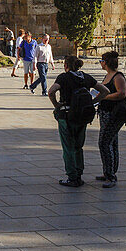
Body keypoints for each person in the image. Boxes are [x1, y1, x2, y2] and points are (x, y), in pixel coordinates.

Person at [48, 54, 104, 188]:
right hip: (82, 116)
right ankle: (79, 173)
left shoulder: (63, 77)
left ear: (66, 65)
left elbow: (51, 91)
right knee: (78, 146)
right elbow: (104, 91)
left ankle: (72, 176)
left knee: (68, 147)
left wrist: (56, 104)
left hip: (66, 116)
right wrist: (92, 102)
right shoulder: (86, 77)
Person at [96, 50, 126, 188]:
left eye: (102, 61)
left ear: (106, 62)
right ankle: (109, 171)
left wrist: (105, 97)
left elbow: (122, 93)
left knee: (104, 143)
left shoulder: (117, 77)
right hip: (105, 113)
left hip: (113, 115)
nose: (101, 63)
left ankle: (111, 176)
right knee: (111, 143)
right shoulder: (108, 75)